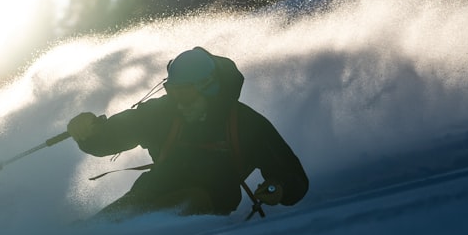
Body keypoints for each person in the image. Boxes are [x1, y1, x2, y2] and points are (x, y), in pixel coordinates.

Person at [66, 47, 308, 219]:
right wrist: (88, 134)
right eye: (173, 91)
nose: (180, 102)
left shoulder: (246, 124)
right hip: (150, 192)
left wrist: (279, 187)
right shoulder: (163, 112)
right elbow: (114, 135)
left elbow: (292, 175)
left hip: (209, 204)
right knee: (125, 211)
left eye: (187, 94)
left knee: (186, 198)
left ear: (209, 87)